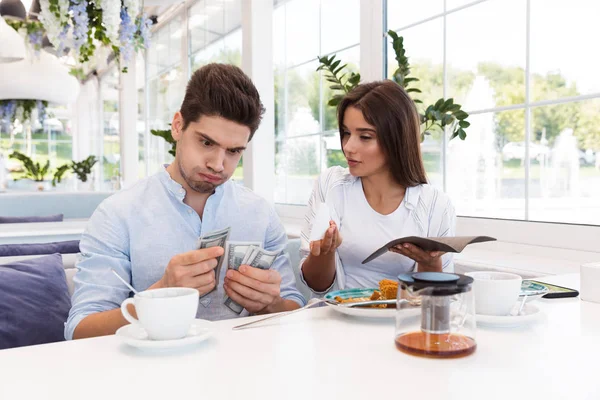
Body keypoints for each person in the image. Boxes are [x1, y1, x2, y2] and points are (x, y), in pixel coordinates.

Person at [66, 64, 305, 340]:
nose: (218, 164)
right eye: (206, 143)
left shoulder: (261, 214)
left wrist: (271, 304)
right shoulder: (117, 215)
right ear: (178, 126)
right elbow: (80, 331)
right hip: (150, 374)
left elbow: (293, 308)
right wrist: (159, 293)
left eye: (234, 151)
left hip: (244, 371)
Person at [300, 80, 456, 294]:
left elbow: (440, 300)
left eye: (365, 137)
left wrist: (429, 264)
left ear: (397, 140)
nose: (348, 147)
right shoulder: (331, 185)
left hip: (402, 320)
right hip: (337, 317)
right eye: (346, 133)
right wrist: (326, 250)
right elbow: (315, 285)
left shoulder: (435, 205)